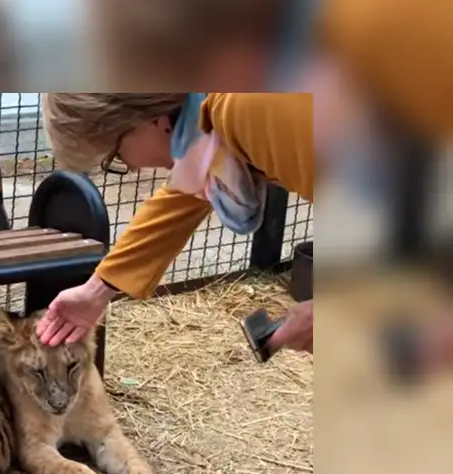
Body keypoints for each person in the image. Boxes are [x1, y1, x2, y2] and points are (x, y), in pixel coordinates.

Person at [35, 93, 314, 355]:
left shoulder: (251, 108)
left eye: (115, 157)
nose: (130, 168)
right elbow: (177, 203)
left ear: (146, 119)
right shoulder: (209, 126)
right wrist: (95, 292)